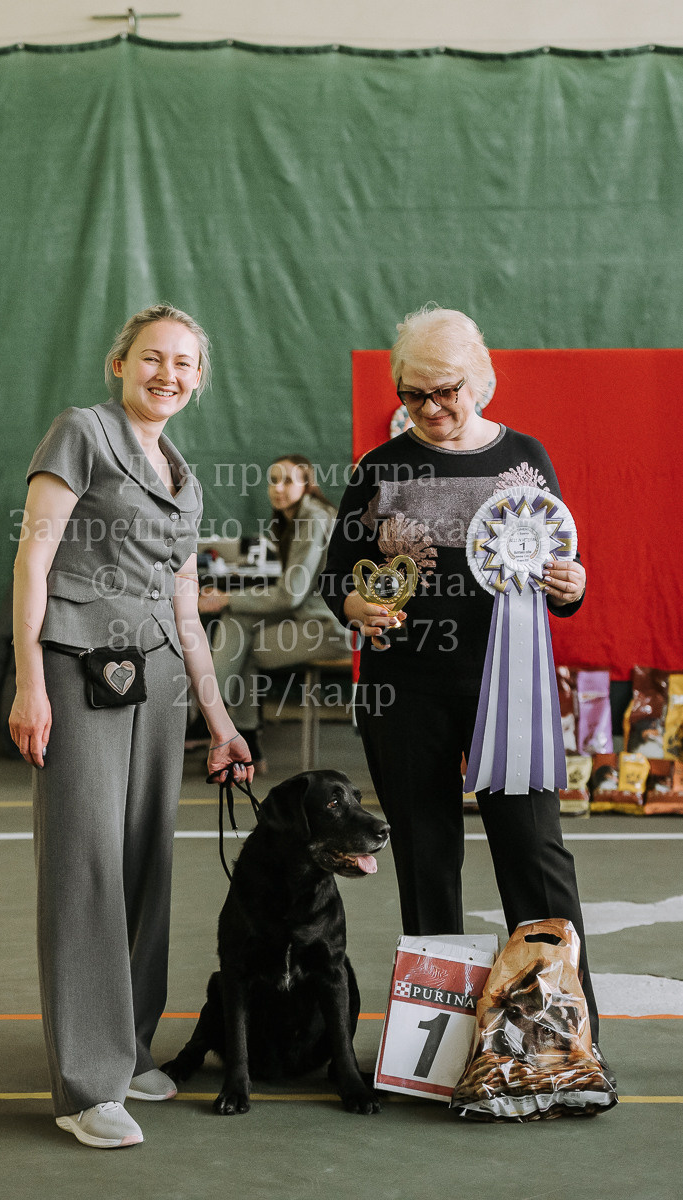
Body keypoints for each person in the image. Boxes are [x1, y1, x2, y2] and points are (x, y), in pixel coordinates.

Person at [319, 305, 611, 1068]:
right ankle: (440, 1053)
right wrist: (352, 603)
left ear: (479, 380)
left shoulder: (524, 457)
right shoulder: (379, 466)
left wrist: (572, 585)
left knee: (535, 857)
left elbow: (560, 571)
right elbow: (333, 577)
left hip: (507, 689)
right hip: (404, 691)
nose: (429, 409)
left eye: (444, 391)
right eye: (413, 394)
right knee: (425, 859)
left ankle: (562, 1037)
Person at [9, 303, 252, 1149]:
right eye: (154, 358)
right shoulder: (81, 431)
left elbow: (186, 612)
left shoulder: (182, 475)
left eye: (185, 364)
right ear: (122, 363)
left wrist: (218, 721)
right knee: (84, 867)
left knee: (147, 860)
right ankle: (84, 1084)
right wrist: (30, 684)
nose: (169, 375)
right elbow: (33, 556)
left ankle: (128, 1045)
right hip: (78, 673)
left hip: (156, 684)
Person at [198, 455, 353, 770]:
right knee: (237, 622)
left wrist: (225, 598)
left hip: (330, 629)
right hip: (310, 618)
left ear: (307, 485)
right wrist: (230, 602)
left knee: (245, 646)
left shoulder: (312, 518)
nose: (278, 488)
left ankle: (217, 718)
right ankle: (224, 722)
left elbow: (290, 595)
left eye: (288, 481)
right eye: (273, 480)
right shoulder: (298, 517)